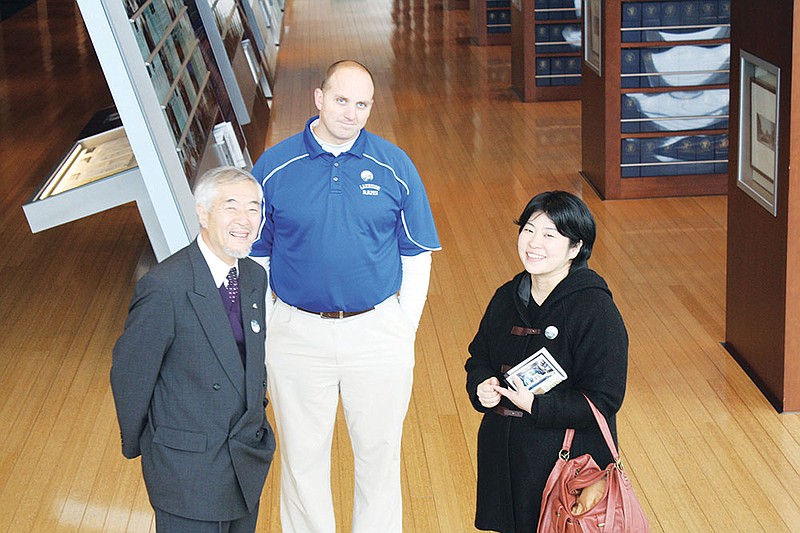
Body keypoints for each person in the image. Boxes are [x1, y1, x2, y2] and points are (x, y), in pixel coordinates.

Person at [249, 59, 441, 533]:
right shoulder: (274, 166)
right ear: (319, 98)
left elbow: (417, 255)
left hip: (377, 333)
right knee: (302, 458)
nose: (351, 113)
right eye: (341, 100)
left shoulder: (395, 166)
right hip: (296, 335)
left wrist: (402, 328)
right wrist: (272, 322)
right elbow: (255, 255)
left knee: (379, 457)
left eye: (362, 104)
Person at [110, 166, 276, 533]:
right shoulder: (165, 287)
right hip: (187, 472)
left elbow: (250, 363)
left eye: (254, 208)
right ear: (202, 213)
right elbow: (130, 374)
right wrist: (155, 447)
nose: (245, 220)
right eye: (231, 206)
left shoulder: (253, 277)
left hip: (244, 461)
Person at [464, 191, 628, 532]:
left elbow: (606, 398)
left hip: (567, 463)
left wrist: (537, 406)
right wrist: (482, 385)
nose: (534, 243)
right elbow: (479, 356)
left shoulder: (596, 310)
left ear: (575, 248)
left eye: (550, 235)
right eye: (528, 230)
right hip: (504, 454)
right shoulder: (506, 297)